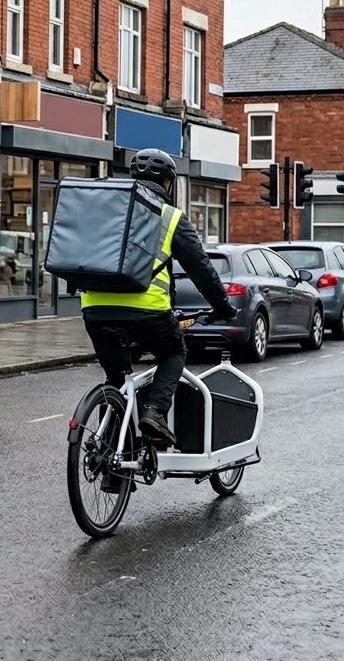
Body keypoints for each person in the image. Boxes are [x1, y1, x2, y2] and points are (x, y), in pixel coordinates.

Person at [80, 149, 239, 448]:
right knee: (173, 353)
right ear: (168, 184)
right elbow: (200, 268)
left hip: (94, 308)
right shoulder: (170, 217)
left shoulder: (104, 209)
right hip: (147, 310)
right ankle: (154, 412)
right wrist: (224, 307)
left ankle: (110, 458)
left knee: (116, 382)